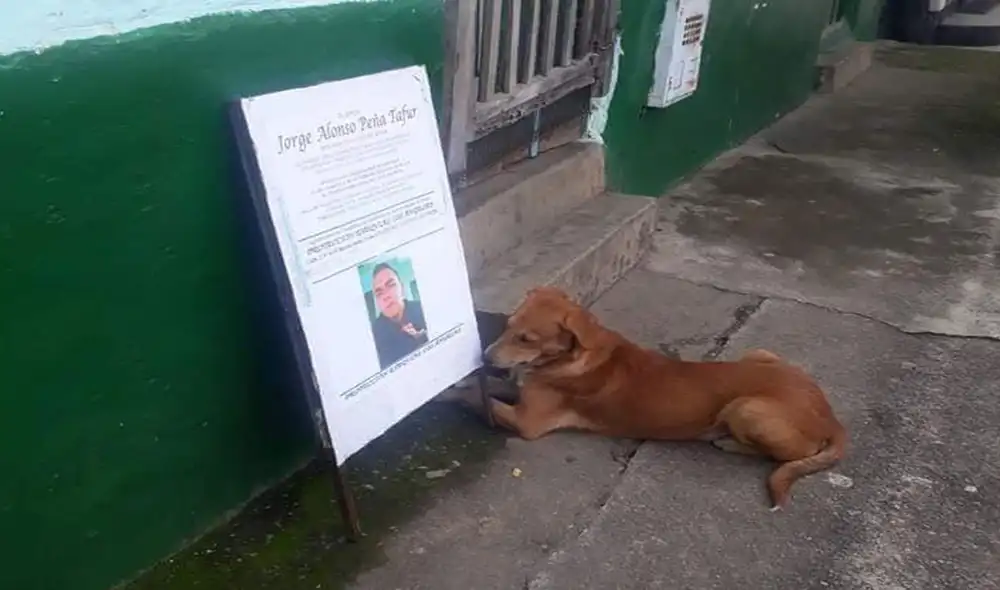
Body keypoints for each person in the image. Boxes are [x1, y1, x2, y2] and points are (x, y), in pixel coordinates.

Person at [369, 262, 429, 369]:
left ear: (402, 287)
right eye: (379, 293)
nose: (386, 296)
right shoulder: (374, 335)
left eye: (391, 285)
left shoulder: (422, 308)